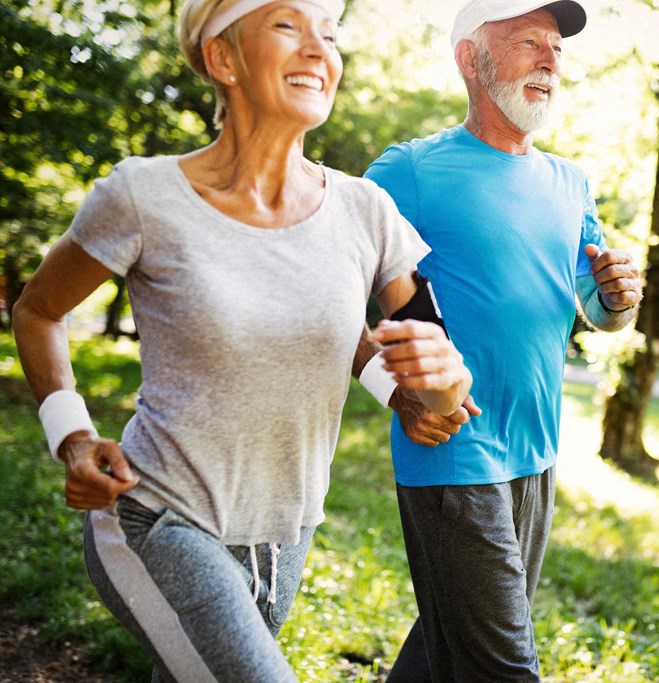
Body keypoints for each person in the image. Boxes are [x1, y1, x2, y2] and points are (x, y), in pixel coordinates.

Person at [11, 0, 471, 680]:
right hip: (156, 514)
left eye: (331, 33)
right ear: (222, 58)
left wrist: (424, 390)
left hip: (284, 535)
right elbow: (38, 309)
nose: (318, 49)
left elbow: (426, 361)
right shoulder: (144, 195)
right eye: (288, 26)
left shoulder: (365, 212)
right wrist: (73, 436)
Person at [362, 1, 644, 680]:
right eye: (527, 42)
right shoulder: (409, 171)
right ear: (470, 58)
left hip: (537, 451)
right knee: (505, 666)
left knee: (443, 650)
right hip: (456, 449)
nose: (550, 60)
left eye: (555, 48)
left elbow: (597, 312)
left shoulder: (571, 182)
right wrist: (389, 387)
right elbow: (328, 289)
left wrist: (618, 297)